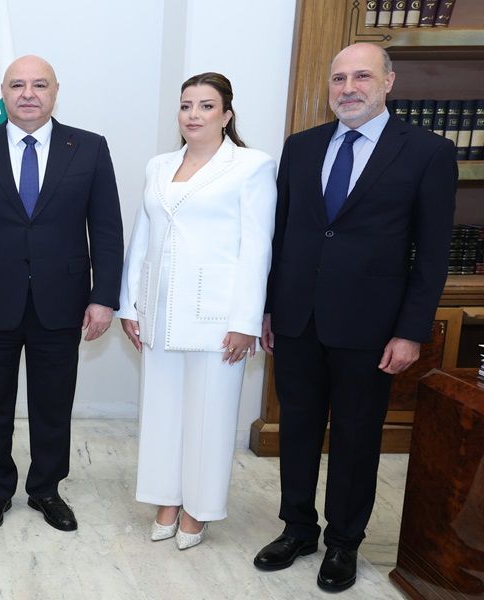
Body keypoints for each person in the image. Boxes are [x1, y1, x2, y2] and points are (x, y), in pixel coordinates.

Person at [254, 43, 456, 592]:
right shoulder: (301, 147)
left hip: (371, 327)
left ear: (388, 81)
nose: (348, 88)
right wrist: (268, 306)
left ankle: (344, 541)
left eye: (361, 76)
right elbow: (282, 235)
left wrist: (411, 331)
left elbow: (431, 255)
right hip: (297, 319)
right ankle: (298, 528)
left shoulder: (428, 152)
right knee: (297, 430)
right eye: (338, 78)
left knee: (356, 436)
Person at [0, 55, 124, 533]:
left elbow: (106, 229)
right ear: (3, 92)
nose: (28, 94)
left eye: (39, 84)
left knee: (52, 404)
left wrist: (104, 297)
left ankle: (46, 490)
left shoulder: (90, 148)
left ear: (56, 91)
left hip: (62, 301)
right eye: (17, 85)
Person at [118, 73, 276, 550]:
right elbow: (141, 237)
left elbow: (257, 247)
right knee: (162, 410)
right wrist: (130, 304)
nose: (194, 114)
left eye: (206, 106)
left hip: (217, 314)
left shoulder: (251, 166)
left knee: (210, 414)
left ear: (226, 115)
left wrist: (246, 322)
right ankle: (166, 499)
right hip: (159, 310)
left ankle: (198, 509)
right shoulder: (159, 165)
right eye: (186, 105)